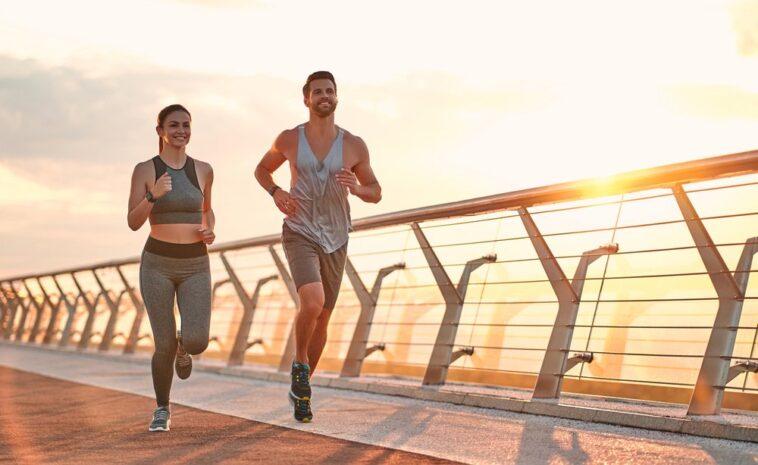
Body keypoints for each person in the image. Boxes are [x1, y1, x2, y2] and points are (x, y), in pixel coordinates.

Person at [255, 71, 382, 422]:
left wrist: (357, 188)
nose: (324, 96)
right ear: (306, 99)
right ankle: (300, 364)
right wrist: (276, 191)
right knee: (313, 301)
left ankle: (302, 391)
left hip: (336, 238)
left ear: (336, 97)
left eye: (329, 91)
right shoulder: (289, 139)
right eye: (317, 92)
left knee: (323, 316)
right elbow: (262, 169)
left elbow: (376, 191)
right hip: (300, 231)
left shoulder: (354, 145)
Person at [127, 104, 216, 432]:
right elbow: (133, 222)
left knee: (197, 341)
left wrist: (209, 229)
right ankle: (162, 408)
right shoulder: (145, 169)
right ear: (160, 131)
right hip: (157, 264)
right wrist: (153, 196)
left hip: (195, 263)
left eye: (187, 125)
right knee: (162, 343)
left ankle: (185, 346)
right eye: (174, 125)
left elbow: (208, 210)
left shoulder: (204, 169)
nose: (181, 130)